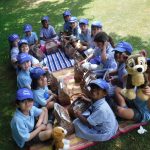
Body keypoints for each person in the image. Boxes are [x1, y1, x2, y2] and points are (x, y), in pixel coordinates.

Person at [116, 57, 150, 123]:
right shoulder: (140, 79)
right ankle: (124, 106)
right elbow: (124, 79)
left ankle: (124, 112)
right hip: (133, 101)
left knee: (120, 111)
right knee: (117, 90)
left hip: (141, 112)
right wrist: (132, 73)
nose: (147, 74)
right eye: (147, 70)